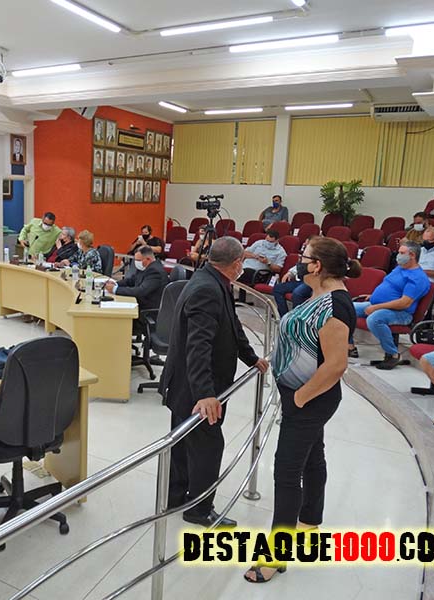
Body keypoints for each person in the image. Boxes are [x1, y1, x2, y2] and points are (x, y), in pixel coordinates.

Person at [244, 237, 359, 583]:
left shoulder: (336, 306)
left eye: (304, 256)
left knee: (286, 471)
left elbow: (336, 365)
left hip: (310, 400)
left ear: (317, 265)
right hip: (302, 396)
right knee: (312, 457)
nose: (299, 260)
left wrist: (300, 398)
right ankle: (310, 520)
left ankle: (275, 556)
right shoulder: (316, 294)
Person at [160, 237, 269, 527]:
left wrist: (250, 357)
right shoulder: (208, 289)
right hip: (194, 387)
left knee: (184, 443)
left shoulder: (212, 280)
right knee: (208, 447)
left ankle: (176, 496)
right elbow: (199, 346)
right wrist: (205, 395)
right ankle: (199, 509)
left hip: (186, 383)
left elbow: (231, 325)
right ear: (236, 263)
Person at [348, 241, 431, 369]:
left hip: (401, 313)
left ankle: (393, 354)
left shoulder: (418, 278)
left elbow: (404, 303)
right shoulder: (400, 268)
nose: (398, 255)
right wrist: (374, 296)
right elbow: (391, 287)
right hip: (379, 304)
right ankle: (349, 346)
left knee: (375, 319)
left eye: (402, 253)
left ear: (412, 255)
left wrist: (376, 307)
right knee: (346, 309)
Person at [104, 246, 167, 312]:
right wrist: (116, 284)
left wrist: (115, 289)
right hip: (140, 303)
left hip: (147, 310)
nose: (136, 262)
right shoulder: (145, 267)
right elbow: (131, 280)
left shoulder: (155, 271)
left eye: (138, 260)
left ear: (148, 259)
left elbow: (141, 291)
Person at [271, 235, 316, 317]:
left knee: (297, 293)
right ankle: (284, 316)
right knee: (278, 288)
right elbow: (298, 266)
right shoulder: (304, 253)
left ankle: (296, 317)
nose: (304, 244)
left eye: (307, 243)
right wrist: (290, 273)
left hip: (311, 281)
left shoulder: (317, 256)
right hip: (300, 280)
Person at [237, 229, 287, 301]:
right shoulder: (259, 243)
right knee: (231, 270)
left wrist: (268, 262)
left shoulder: (281, 252)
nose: (267, 243)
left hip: (259, 273)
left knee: (240, 273)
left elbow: (278, 269)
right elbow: (244, 253)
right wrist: (255, 256)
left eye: (271, 242)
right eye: (267, 240)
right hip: (245, 267)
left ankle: (241, 299)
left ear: (277, 241)